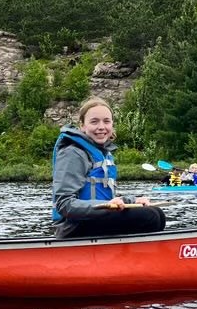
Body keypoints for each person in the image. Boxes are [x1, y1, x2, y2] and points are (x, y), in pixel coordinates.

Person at [51, 97, 166, 239]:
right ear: (82, 125)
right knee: (151, 217)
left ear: (112, 124)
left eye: (106, 121)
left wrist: (133, 200)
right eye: (94, 121)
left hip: (96, 219)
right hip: (73, 227)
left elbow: (109, 201)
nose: (101, 127)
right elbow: (64, 204)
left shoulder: (103, 154)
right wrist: (105, 206)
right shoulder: (73, 153)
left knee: (157, 213)